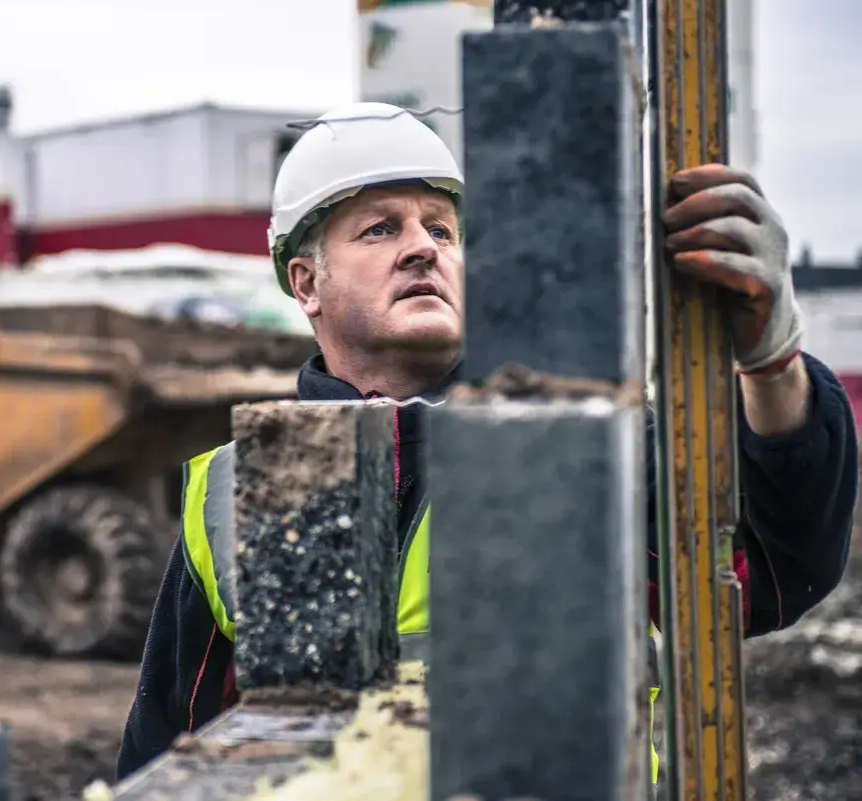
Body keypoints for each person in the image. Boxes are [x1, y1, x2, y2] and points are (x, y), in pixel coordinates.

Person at [116, 102, 858, 784]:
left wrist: (772, 364)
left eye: (441, 229)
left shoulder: (579, 443)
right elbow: (174, 752)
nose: (422, 250)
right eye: (381, 228)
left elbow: (775, 563)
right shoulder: (238, 490)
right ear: (306, 281)